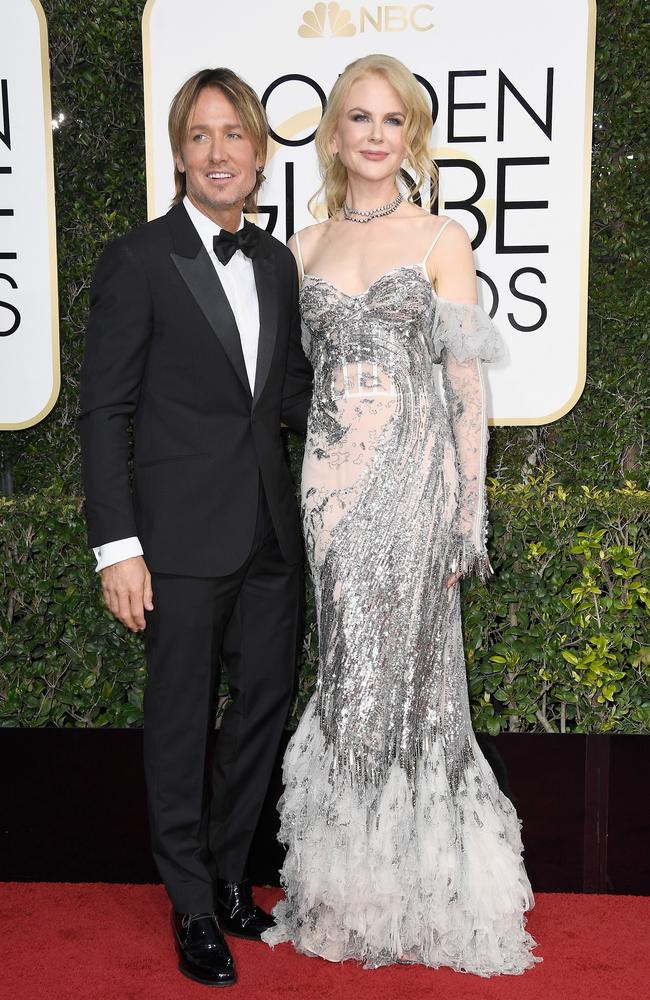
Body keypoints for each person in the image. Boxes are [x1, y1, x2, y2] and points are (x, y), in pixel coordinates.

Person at [262, 54, 540, 976]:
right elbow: (287, 383)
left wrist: (470, 510)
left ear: (409, 136)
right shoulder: (300, 249)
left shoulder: (440, 241)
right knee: (349, 671)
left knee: (414, 680)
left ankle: (424, 891)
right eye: (358, 118)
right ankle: (350, 892)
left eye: (392, 120)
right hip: (330, 494)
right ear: (334, 133)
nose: (375, 135)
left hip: (415, 485)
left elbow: (465, 388)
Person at [79, 68, 312, 987]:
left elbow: (287, 394)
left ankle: (223, 877)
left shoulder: (278, 262)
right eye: (201, 136)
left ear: (259, 154)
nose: (220, 152)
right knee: (180, 724)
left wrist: (381, 403)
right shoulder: (137, 259)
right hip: (175, 543)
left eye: (236, 135)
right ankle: (188, 906)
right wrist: (118, 547)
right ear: (180, 153)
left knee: (260, 712)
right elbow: (105, 414)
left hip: (270, 535)